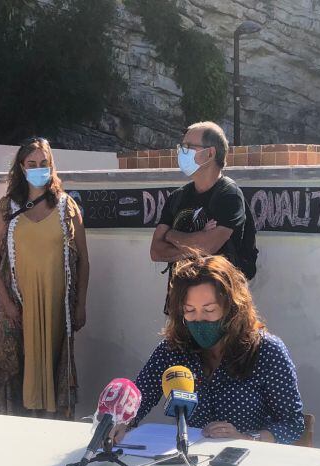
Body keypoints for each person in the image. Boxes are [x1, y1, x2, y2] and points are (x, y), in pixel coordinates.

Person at [112, 254, 304, 445]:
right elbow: (139, 397)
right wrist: (120, 423)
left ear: (232, 307)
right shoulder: (174, 349)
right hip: (188, 460)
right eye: (189, 310)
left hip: (246, 461)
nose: (199, 319)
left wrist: (246, 438)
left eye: (209, 310)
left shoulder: (266, 350)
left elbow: (293, 424)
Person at [0, 136, 89, 419]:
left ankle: (54, 427)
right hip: (20, 309)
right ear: (21, 167)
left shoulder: (67, 208)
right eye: (32, 163)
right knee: (21, 369)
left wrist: (80, 305)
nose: (38, 168)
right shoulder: (7, 208)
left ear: (51, 165)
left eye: (44, 163)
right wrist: (7, 303)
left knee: (56, 366)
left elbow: (84, 260)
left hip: (59, 309)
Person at [150, 121, 251, 311]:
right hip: (180, 305)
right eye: (181, 146)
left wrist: (172, 236)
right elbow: (156, 251)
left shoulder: (228, 195)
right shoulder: (177, 197)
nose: (182, 152)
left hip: (219, 307)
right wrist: (196, 247)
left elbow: (209, 245)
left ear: (210, 153)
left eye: (188, 147)